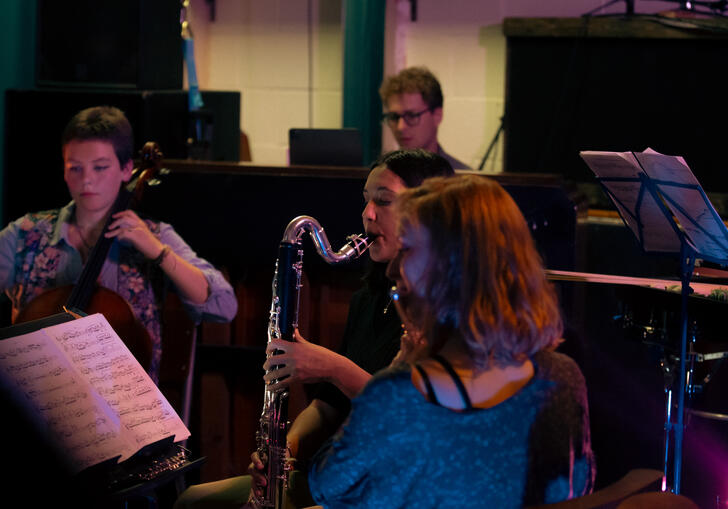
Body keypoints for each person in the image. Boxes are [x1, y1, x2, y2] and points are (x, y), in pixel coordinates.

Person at [173, 149, 455, 509]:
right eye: (366, 200)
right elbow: (329, 406)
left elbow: (413, 414)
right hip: (342, 471)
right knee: (193, 500)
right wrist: (283, 452)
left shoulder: (448, 308)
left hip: (396, 483)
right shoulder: (370, 298)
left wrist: (333, 367)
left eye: (384, 201)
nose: (368, 214)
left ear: (429, 213)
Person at [308, 174, 596, 508]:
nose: (392, 271)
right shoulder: (562, 376)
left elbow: (327, 485)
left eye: (408, 250)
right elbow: (575, 490)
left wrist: (401, 367)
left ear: (450, 267)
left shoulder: (399, 393)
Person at [0, 106, 237, 382]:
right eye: (75, 168)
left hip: (126, 410)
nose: (87, 179)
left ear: (126, 170)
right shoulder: (26, 233)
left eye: (100, 167)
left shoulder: (154, 236)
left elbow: (224, 306)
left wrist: (159, 253)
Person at [380, 66, 468, 169]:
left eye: (412, 115)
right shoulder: (379, 176)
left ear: (437, 115)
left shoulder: (461, 179)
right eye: (394, 117)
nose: (401, 127)